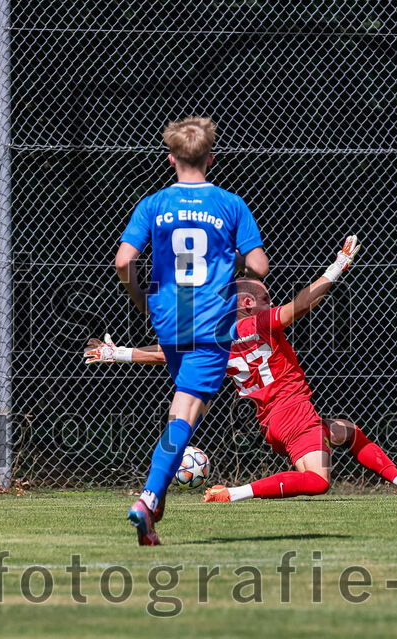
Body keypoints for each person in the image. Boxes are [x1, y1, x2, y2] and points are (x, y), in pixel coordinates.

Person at [86, 237, 397, 502]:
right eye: (265, 299)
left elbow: (164, 354)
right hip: (292, 410)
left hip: (272, 422)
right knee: (317, 481)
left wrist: (116, 353)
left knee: (346, 432)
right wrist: (336, 269)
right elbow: (300, 306)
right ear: (246, 303)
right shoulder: (259, 323)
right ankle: (235, 493)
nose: (270, 304)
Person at [114, 117, 268, 545]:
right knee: (184, 413)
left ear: (171, 159)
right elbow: (259, 267)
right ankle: (146, 498)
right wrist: (232, 260)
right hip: (211, 320)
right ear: (210, 158)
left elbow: (124, 261)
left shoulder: (153, 204)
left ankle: (157, 498)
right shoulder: (230, 204)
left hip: (169, 318)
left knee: (184, 407)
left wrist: (143, 299)